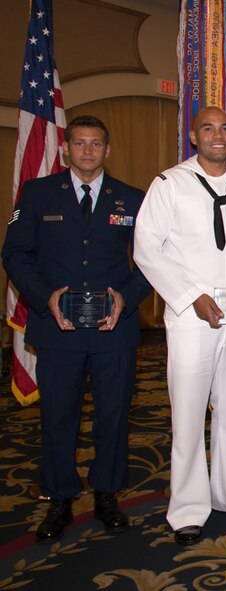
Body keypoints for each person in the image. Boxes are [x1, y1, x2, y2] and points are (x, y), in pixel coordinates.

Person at [2, 115, 152, 542]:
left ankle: (106, 493)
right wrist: (43, 295)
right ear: (66, 149)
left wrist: (126, 296)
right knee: (58, 416)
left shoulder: (131, 199)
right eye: (80, 143)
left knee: (113, 415)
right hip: (58, 328)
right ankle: (60, 497)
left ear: (108, 150)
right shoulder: (36, 194)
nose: (88, 151)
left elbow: (150, 260)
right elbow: (15, 253)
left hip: (113, 330)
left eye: (97, 144)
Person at [133, 106, 226, 546]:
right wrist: (190, 296)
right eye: (208, 129)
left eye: (225, 128)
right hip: (191, 317)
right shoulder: (169, 184)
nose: (218, 135)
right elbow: (146, 248)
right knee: (190, 415)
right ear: (194, 137)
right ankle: (188, 509)